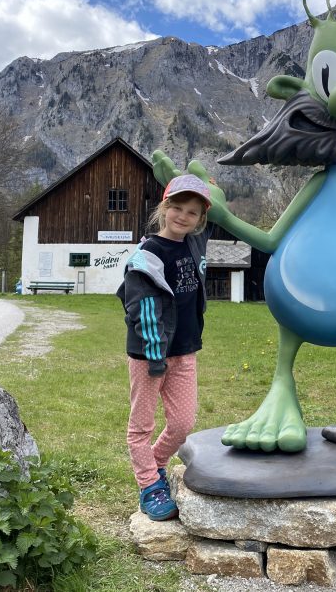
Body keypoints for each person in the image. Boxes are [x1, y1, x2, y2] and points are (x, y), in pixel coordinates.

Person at [116, 173, 216, 520]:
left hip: (185, 349)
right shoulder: (146, 255)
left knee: (182, 424)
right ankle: (148, 486)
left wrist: (208, 185)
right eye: (177, 208)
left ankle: (155, 465)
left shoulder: (194, 244)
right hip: (148, 353)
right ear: (164, 208)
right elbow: (138, 306)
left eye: (192, 212)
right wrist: (154, 351)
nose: (183, 216)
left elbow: (218, 213)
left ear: (201, 220)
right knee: (141, 425)